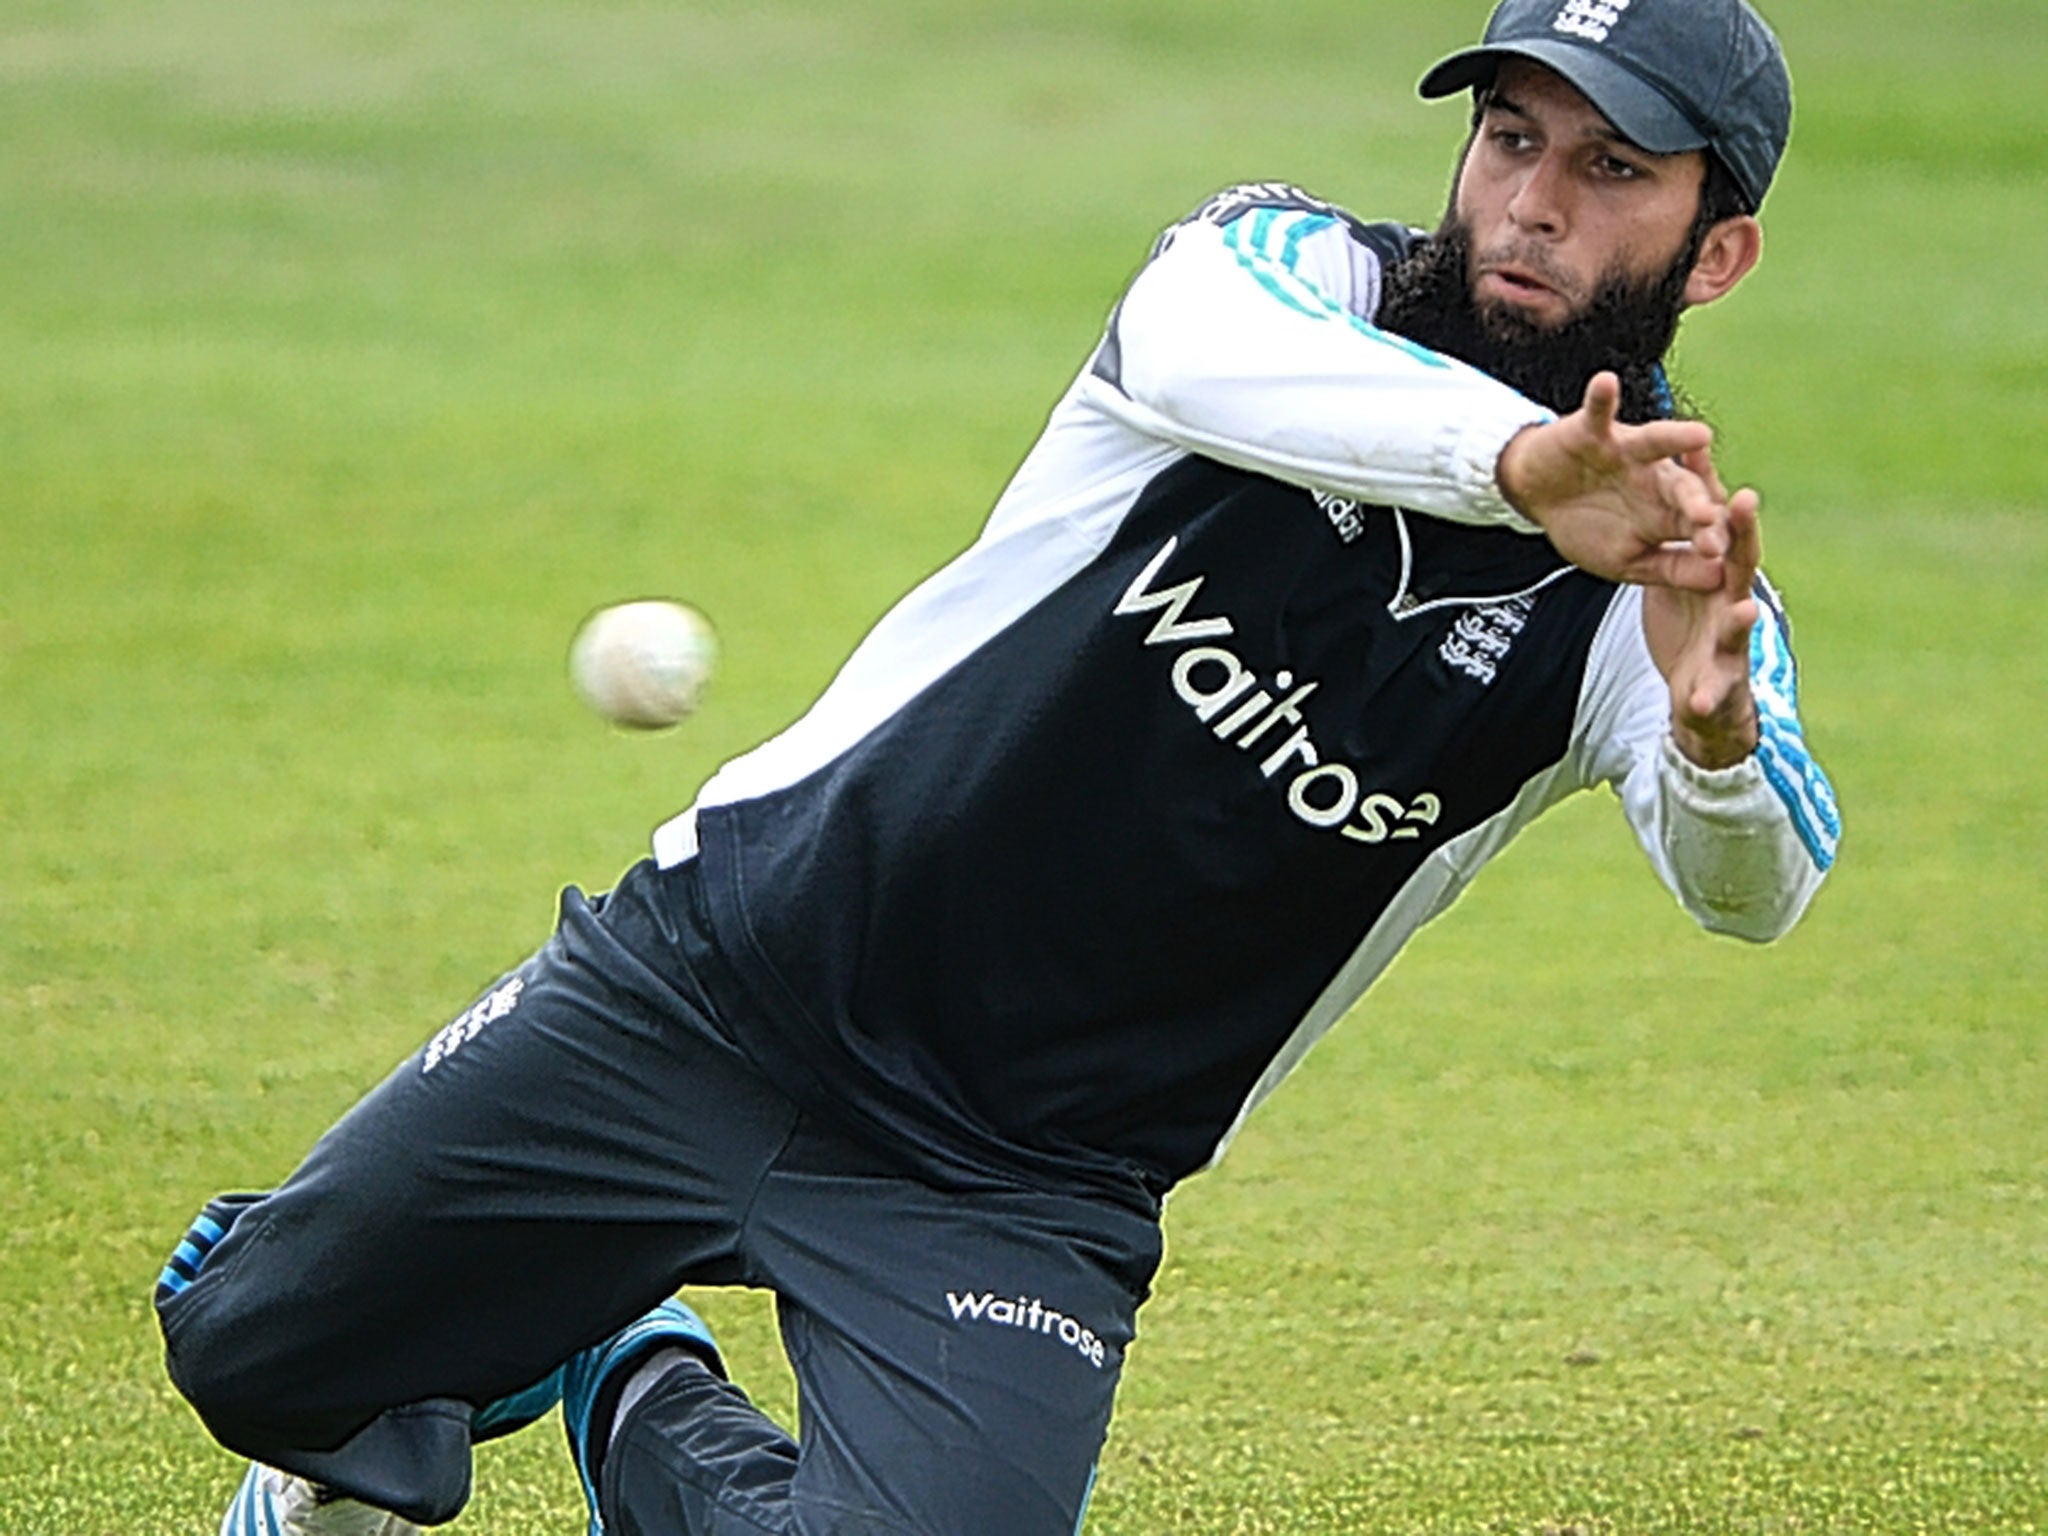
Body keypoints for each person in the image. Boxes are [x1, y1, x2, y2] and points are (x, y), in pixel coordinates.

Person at [156, 0, 1839, 1531]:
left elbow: (1758, 888)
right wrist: (1519, 461)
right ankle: (398, 1400)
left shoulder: (1671, 579)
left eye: (1612, 168)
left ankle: (629, 1369)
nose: (1533, 202)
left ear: (1718, 250)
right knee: (247, 1345)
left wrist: (1707, 745)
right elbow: (1197, 345)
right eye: (1511, 137)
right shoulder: (1282, 280)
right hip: (728, 979)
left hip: (1018, 1181)